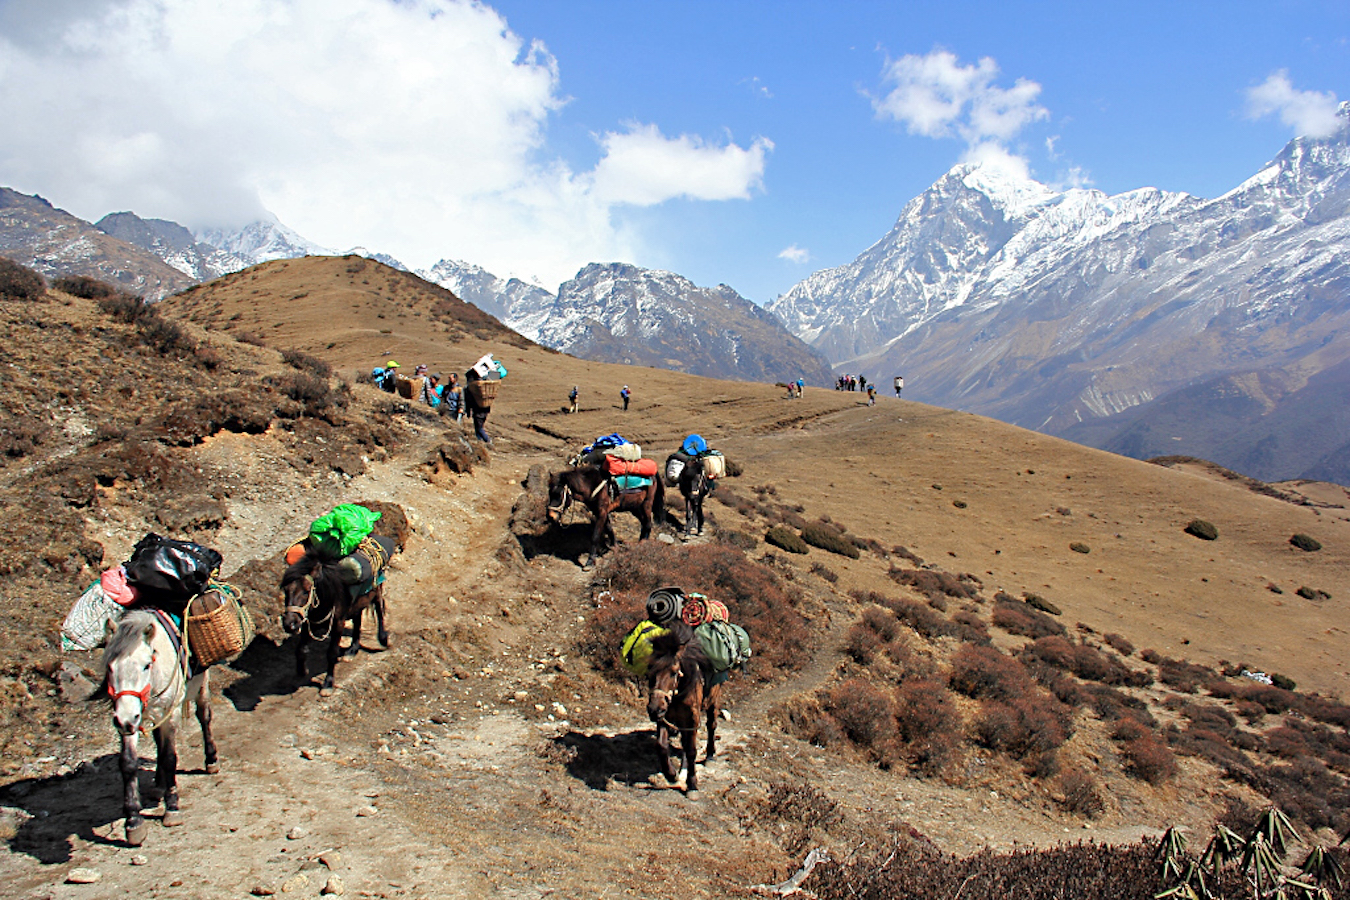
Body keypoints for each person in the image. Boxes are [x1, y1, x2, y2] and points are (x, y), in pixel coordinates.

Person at [463, 369, 492, 444]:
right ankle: (480, 442)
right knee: (479, 427)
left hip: (477, 411)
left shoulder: (470, 389)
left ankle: (487, 440)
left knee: (479, 428)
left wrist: (468, 412)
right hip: (485, 410)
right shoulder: (482, 385)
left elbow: (468, 401)